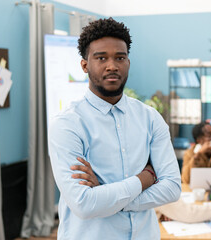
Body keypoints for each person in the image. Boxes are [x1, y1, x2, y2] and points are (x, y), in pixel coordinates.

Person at [48, 18, 181, 240]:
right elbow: (84, 204)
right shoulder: (67, 124)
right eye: (101, 58)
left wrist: (108, 196)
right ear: (84, 65)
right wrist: (144, 179)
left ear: (128, 62)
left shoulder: (150, 118)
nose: (112, 65)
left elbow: (172, 188)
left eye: (120, 57)